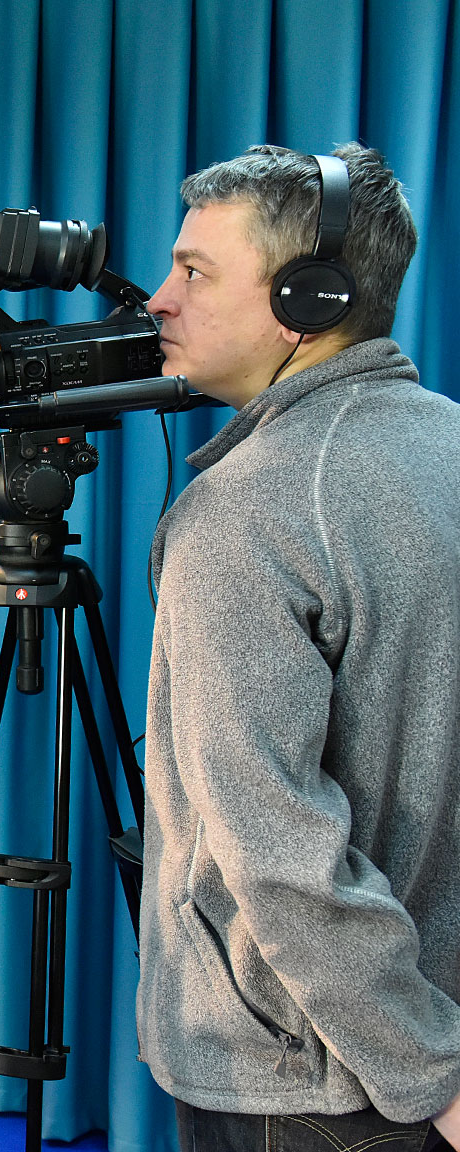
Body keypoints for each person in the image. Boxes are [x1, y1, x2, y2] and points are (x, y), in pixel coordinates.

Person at [140, 143, 460, 1151]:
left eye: (195, 272)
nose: (158, 299)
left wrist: (432, 1074)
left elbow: (279, 858)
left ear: (307, 301)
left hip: (307, 1087)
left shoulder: (243, 512)